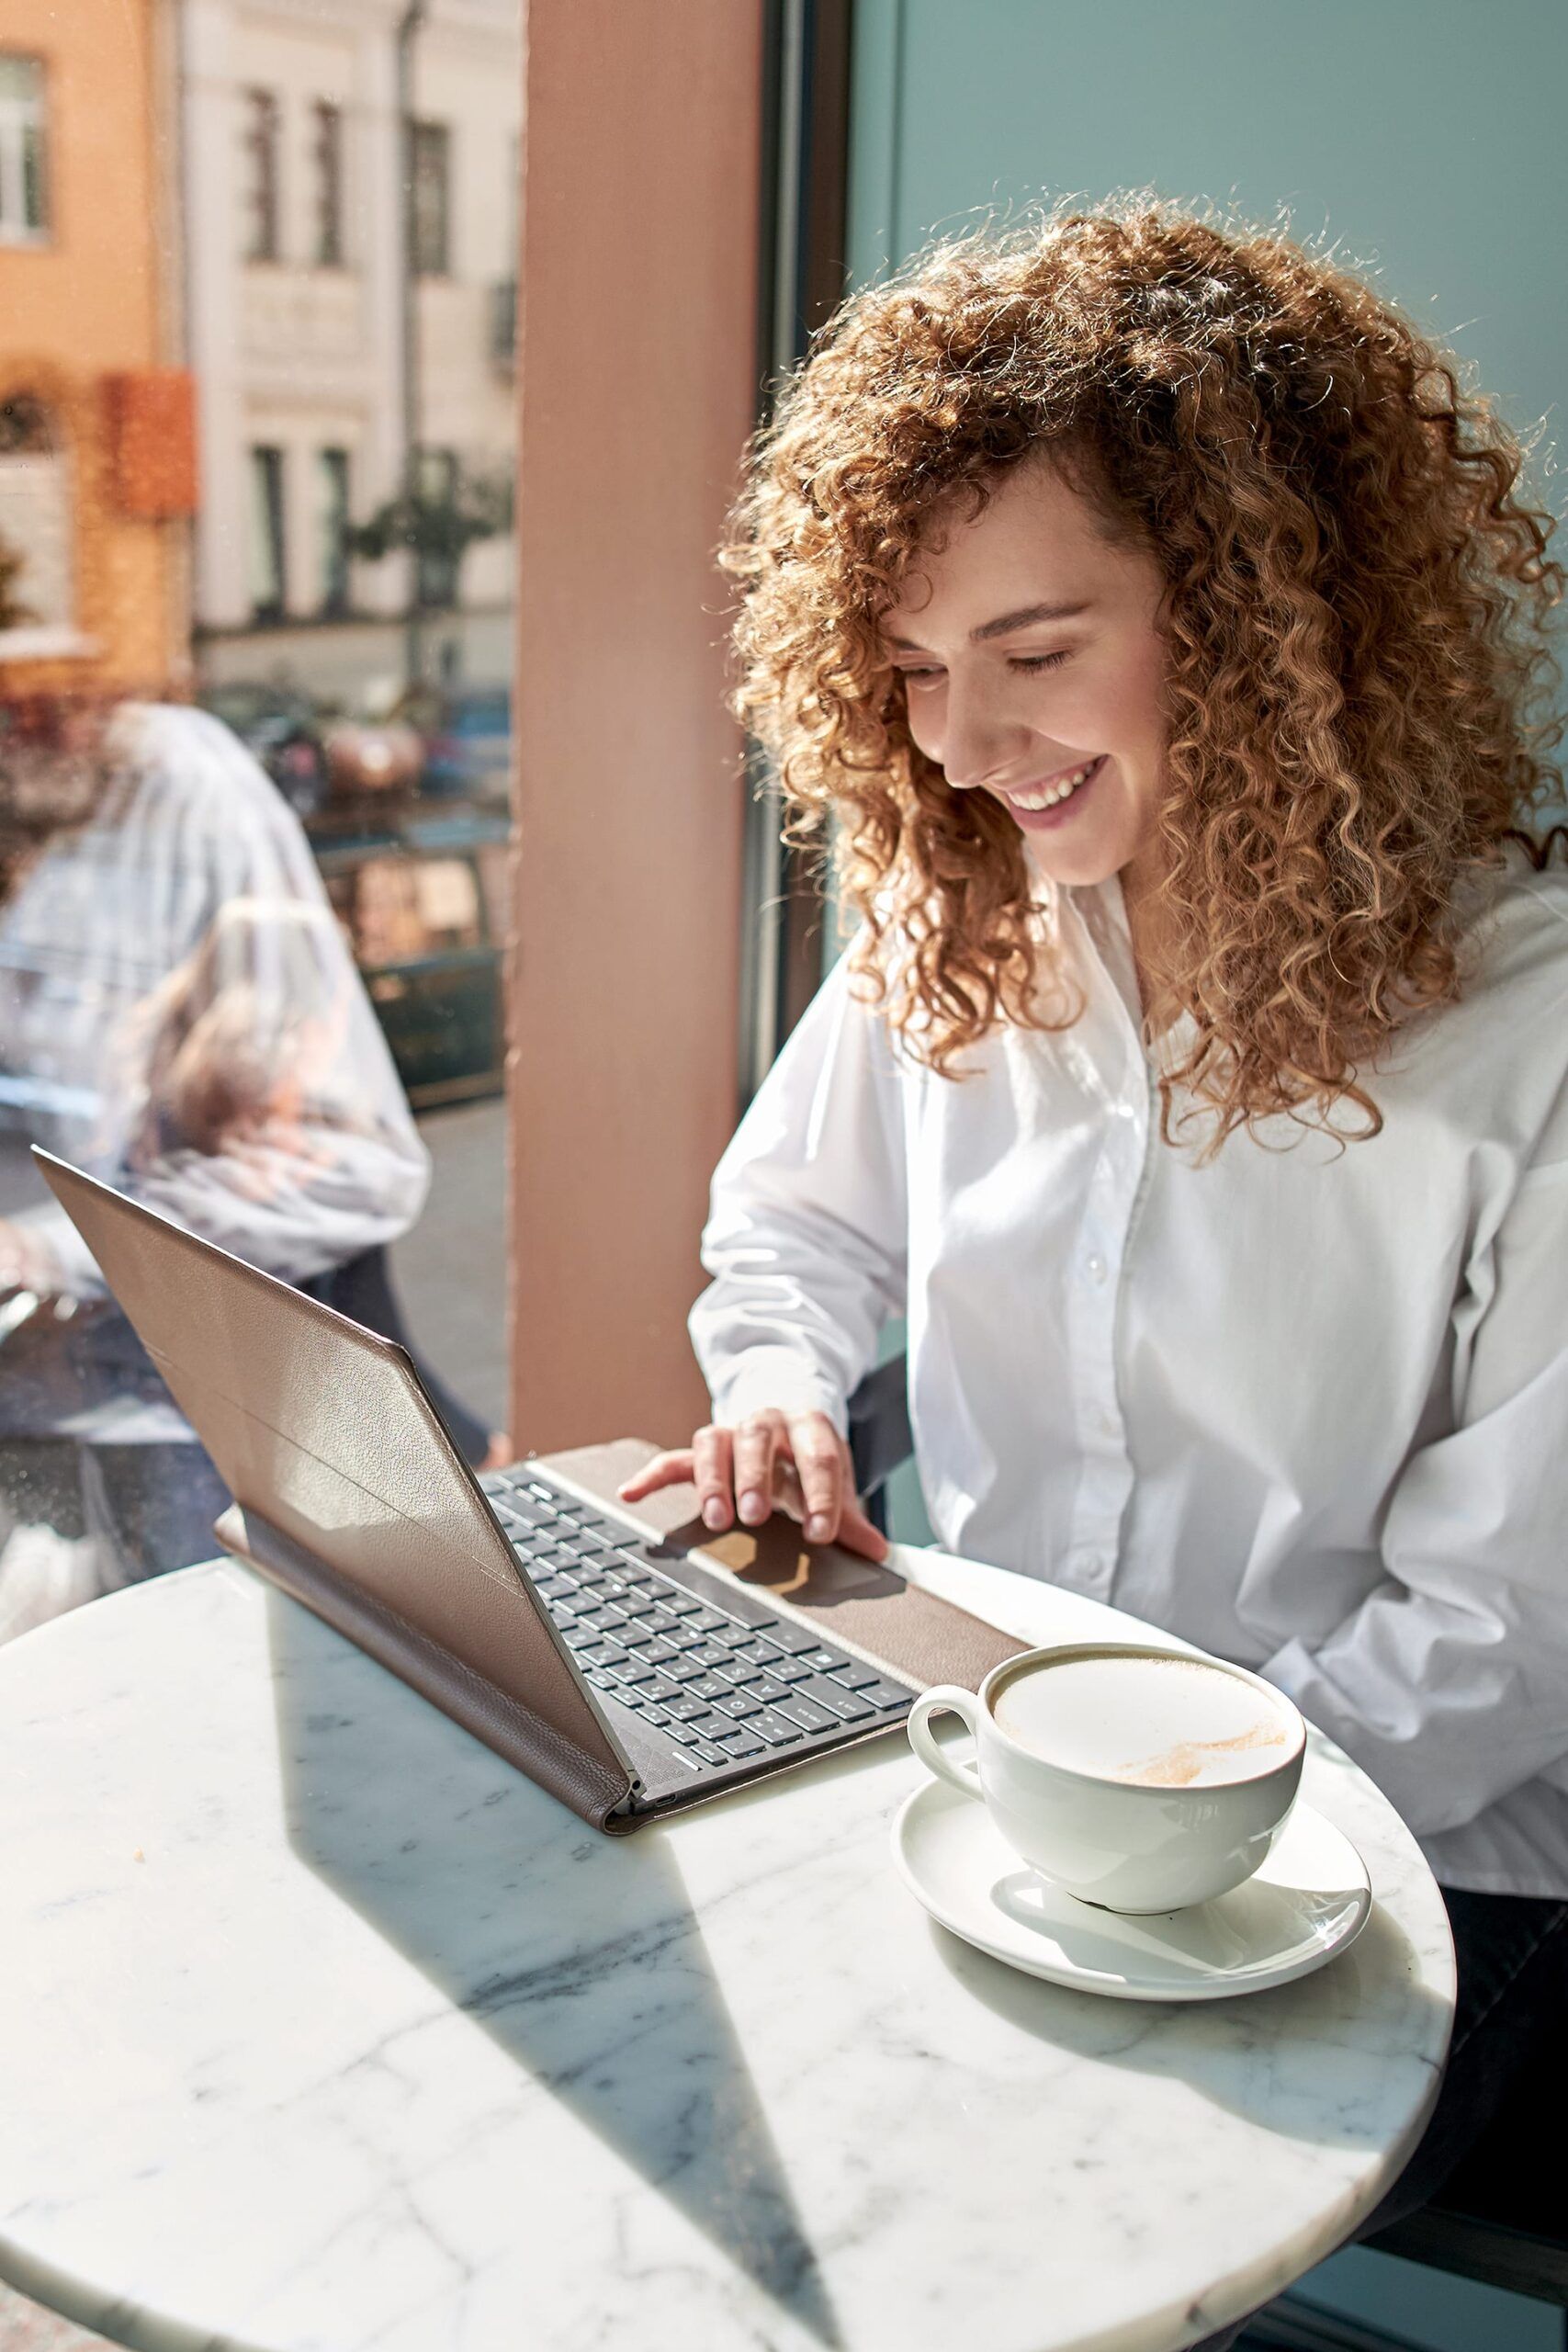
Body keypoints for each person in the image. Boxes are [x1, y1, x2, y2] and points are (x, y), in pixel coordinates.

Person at [618, 205, 1568, 2337]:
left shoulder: (1534, 1031)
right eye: (907, 668)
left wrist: (1076, 1825)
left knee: (955, 2219)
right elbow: (792, 1226)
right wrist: (774, 1371)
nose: (956, 743)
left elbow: (1497, 1638)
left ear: (1266, 619)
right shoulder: (955, 922)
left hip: (1414, 1842)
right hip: (1012, 1752)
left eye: (1036, 653)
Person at [0, 696, 463, 1639]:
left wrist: (45, 1251)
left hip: (190, 1420)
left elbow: (349, 1164)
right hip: (56, 1410)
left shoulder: (177, 794)